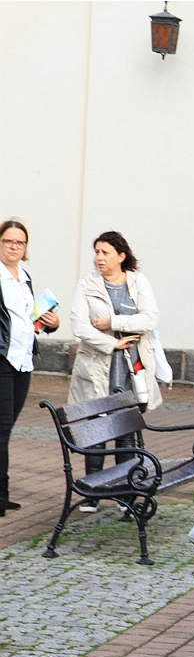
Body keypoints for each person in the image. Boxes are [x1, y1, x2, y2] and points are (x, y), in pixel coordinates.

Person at [69, 231, 161, 513]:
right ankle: (92, 493)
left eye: (105, 252)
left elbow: (150, 318)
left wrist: (112, 321)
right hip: (97, 367)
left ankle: (125, 492)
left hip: (131, 367)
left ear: (121, 256)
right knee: (95, 427)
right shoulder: (87, 285)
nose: (99, 257)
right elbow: (79, 326)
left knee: (125, 428)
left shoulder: (137, 282)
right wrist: (113, 342)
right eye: (96, 251)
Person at [0, 219, 59, 515]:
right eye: (8, 241)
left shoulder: (24, 276)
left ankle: (2, 492)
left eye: (19, 243)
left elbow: (27, 319)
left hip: (23, 360)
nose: (14, 247)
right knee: (1, 428)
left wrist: (51, 324)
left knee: (6, 428)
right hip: (2, 358)